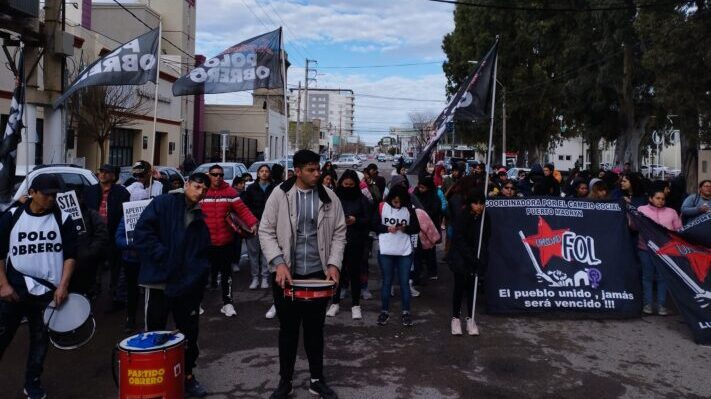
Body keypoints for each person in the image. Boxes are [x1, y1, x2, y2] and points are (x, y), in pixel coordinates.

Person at [259, 150, 346, 399]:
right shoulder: (280, 195)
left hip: (318, 276)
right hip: (287, 276)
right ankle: (285, 381)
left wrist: (333, 264)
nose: (317, 174)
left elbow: (339, 232)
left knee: (315, 330)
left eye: (318, 169)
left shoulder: (329, 197)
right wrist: (278, 263)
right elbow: (265, 231)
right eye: (311, 169)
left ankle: (317, 380)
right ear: (297, 171)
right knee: (288, 330)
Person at [133, 172, 212, 397]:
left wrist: (197, 280)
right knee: (154, 332)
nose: (200, 192)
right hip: (158, 282)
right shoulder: (163, 203)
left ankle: (187, 375)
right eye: (197, 186)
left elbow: (202, 254)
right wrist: (163, 256)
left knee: (189, 333)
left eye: (204, 190)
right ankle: (154, 376)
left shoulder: (199, 218)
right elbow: (142, 233)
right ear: (187, 184)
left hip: (186, 286)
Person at [0, 174, 77, 399]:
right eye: (47, 194)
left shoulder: (64, 219)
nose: (51, 199)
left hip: (47, 294)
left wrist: (63, 286)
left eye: (55, 195)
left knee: (40, 341)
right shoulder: (12, 217)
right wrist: (3, 285)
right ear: (32, 192)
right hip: (14, 291)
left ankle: (32, 383)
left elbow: (70, 256)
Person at [202, 164, 257, 317]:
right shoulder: (202, 190)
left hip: (226, 241)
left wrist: (253, 223)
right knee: (200, 275)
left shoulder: (230, 192)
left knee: (227, 274)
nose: (218, 177)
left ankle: (228, 303)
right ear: (209, 175)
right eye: (214, 174)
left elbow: (243, 210)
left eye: (220, 174)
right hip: (205, 243)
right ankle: (196, 303)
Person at [372, 184, 421, 327]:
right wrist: (386, 228)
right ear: (390, 199)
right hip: (386, 249)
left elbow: (416, 228)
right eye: (394, 201)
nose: (397, 204)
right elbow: (373, 224)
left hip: (404, 250)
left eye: (400, 202)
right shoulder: (382, 207)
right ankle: (384, 311)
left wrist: (405, 228)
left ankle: (406, 312)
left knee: (405, 282)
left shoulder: (409, 209)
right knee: (387, 281)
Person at [83, 164, 129, 310]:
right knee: (92, 266)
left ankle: (115, 295)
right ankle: (91, 293)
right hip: (95, 236)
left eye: (106, 172)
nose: (101, 174)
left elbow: (124, 214)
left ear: (113, 176)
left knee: (115, 267)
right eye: (100, 171)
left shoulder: (122, 193)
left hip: (113, 234)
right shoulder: (90, 191)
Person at [327, 170, 370, 319]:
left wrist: (355, 220)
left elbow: (369, 220)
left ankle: (356, 305)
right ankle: (335, 303)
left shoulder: (362, 199)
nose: (348, 187)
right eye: (345, 184)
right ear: (341, 184)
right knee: (335, 273)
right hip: (336, 242)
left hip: (356, 242)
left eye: (351, 185)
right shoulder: (334, 199)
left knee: (355, 274)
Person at [447, 190, 487, 336]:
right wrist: (471, 256)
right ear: (470, 203)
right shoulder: (463, 217)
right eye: (476, 203)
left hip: (475, 259)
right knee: (459, 288)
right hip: (461, 258)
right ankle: (455, 318)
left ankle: (471, 318)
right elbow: (459, 239)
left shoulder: (484, 219)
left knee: (472, 289)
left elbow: (486, 238)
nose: (479, 206)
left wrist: (480, 257)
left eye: (481, 203)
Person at [637, 188, 682, 315]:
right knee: (647, 276)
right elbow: (633, 226)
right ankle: (648, 305)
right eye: (657, 198)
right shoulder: (641, 210)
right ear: (650, 198)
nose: (661, 201)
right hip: (646, 249)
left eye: (663, 199)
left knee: (663, 278)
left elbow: (678, 230)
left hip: (666, 251)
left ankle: (661, 306)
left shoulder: (672, 212)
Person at [68, 191, 109, 298]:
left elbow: (102, 235)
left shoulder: (92, 214)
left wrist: (89, 253)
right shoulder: (61, 217)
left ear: (81, 199)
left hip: (86, 265)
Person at [241, 164, 275, 290]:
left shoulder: (274, 188)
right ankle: (255, 277)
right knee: (253, 252)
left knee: (266, 252)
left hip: (269, 225)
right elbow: (245, 207)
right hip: (254, 225)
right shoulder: (251, 189)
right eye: (262, 171)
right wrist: (252, 222)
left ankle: (265, 277)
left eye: (267, 171)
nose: (264, 173)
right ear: (258, 173)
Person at [413, 176, 441, 282]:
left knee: (430, 251)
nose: (421, 190)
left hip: (429, 229)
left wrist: (423, 215)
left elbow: (435, 211)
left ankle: (432, 272)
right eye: (419, 187)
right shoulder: (415, 195)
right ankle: (419, 272)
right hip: (418, 229)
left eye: (423, 188)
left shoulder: (434, 198)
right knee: (419, 252)